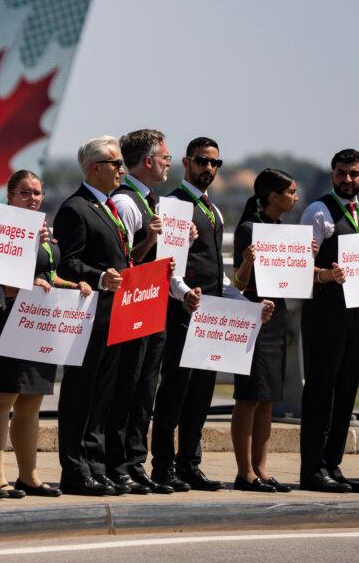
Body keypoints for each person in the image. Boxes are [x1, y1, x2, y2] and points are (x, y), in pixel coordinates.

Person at [0, 170, 92, 499]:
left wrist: (74, 286)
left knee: (32, 402)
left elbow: (47, 275)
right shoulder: (2, 231)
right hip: (9, 320)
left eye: (37, 193)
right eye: (25, 193)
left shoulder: (43, 231)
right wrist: (27, 282)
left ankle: (29, 475)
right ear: (10, 196)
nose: (33, 199)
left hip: (39, 324)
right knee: (2, 400)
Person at [150, 137, 251, 492]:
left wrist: (239, 299)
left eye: (214, 163)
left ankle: (189, 463)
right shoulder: (173, 205)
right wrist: (182, 293)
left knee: (202, 391)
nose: (208, 168)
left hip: (211, 311)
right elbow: (168, 262)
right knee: (175, 389)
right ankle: (162, 466)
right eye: (201, 161)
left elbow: (213, 269)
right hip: (182, 309)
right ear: (186, 162)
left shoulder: (214, 210)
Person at [52, 136, 131, 496]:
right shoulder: (75, 208)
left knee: (103, 397)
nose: (121, 170)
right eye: (115, 164)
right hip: (88, 316)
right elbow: (68, 262)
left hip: (114, 314)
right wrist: (99, 277)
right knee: (81, 395)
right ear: (94, 168)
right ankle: (74, 468)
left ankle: (96, 466)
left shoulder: (109, 207)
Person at [104, 129, 175, 494]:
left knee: (146, 389)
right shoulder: (129, 203)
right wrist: (150, 240)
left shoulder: (152, 201)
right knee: (127, 389)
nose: (168, 163)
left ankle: (135, 462)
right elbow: (128, 263)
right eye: (165, 157)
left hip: (154, 305)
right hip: (133, 308)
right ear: (148, 161)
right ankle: (119, 464)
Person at [298, 149, 359, 493]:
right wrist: (325, 275)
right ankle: (313, 467)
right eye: (341, 173)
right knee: (322, 389)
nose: (348, 180)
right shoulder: (317, 211)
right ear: (332, 174)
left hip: (356, 313)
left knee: (347, 388)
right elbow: (300, 265)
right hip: (327, 312)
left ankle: (333, 464)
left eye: (353, 173)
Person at [230, 169, 293, 493]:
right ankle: (245, 472)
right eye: (290, 192)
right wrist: (248, 261)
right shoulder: (248, 229)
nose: (294, 198)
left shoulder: (282, 230)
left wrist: (305, 258)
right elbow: (239, 281)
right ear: (272, 195)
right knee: (249, 395)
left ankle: (262, 467)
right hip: (254, 314)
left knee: (268, 396)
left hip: (276, 315)